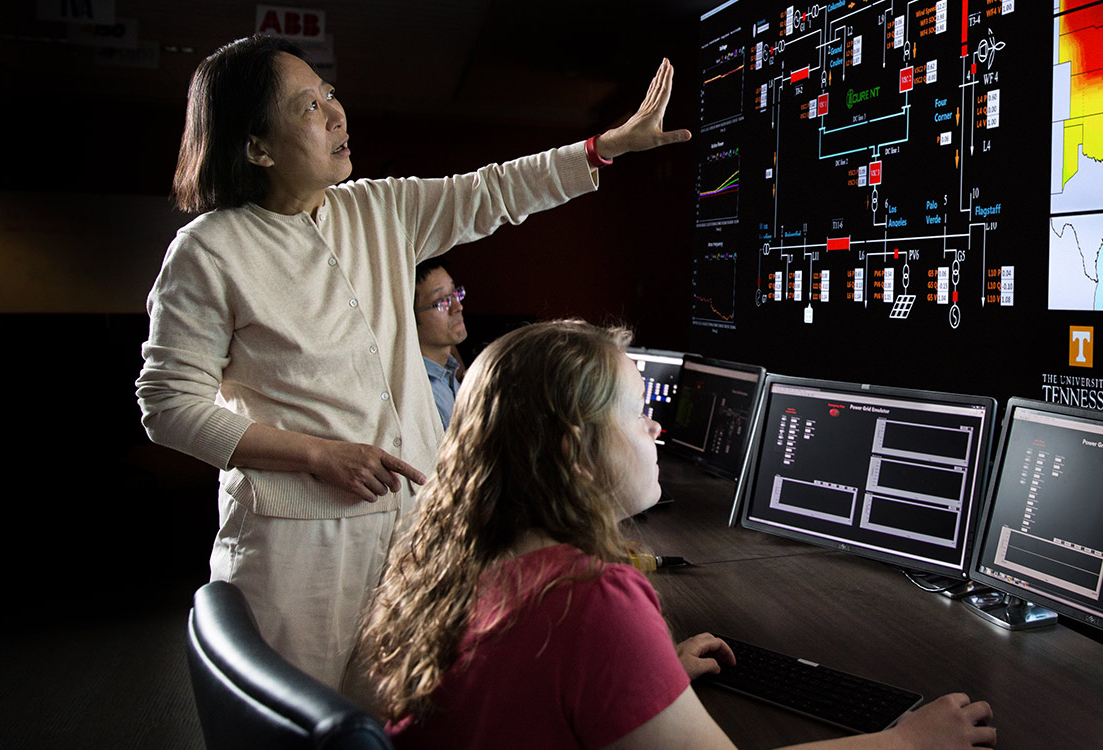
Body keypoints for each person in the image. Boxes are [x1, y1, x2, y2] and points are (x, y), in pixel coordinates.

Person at [134, 33, 689, 700]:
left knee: (413, 717)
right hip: (297, 554)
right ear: (256, 145)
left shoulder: (377, 209)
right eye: (308, 107)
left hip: (414, 534)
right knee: (308, 732)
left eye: (330, 95)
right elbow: (168, 408)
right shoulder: (207, 252)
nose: (336, 114)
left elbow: (493, 191)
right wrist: (317, 455)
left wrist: (604, 149)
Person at [358, 320, 998, 749]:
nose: (655, 429)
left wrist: (645, 676)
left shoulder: (460, 559)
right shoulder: (588, 601)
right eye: (638, 413)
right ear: (575, 453)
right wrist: (905, 741)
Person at [412, 257, 467, 429]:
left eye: (455, 293)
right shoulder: (419, 393)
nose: (457, 307)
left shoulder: (449, 373)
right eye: (442, 301)